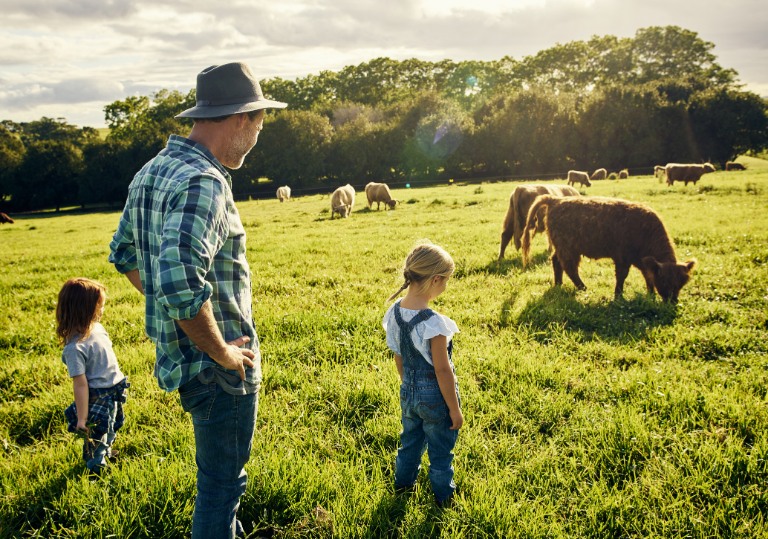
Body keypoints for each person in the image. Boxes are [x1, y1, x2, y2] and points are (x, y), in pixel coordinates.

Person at [108, 62, 286, 538]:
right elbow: (179, 280)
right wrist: (222, 350)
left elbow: (123, 251)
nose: (258, 136)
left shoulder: (154, 170)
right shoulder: (204, 182)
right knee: (221, 486)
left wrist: (170, 307)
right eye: (260, 124)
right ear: (240, 118)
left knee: (218, 480)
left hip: (184, 360)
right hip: (217, 370)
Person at [382, 241, 463, 507]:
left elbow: (398, 356)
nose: (445, 287)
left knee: (410, 444)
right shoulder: (434, 323)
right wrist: (454, 409)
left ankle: (402, 488)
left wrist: (408, 386)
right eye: (446, 281)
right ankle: (444, 500)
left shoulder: (393, 313)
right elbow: (442, 370)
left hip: (407, 391)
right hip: (435, 397)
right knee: (440, 452)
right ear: (435, 279)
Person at [57, 277, 129, 475]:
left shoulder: (96, 328)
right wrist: (82, 418)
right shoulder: (74, 348)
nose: (102, 310)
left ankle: (105, 452)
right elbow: (80, 385)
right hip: (98, 395)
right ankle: (96, 469)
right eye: (100, 306)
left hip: (115, 389)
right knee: (97, 434)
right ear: (85, 309)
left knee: (113, 425)